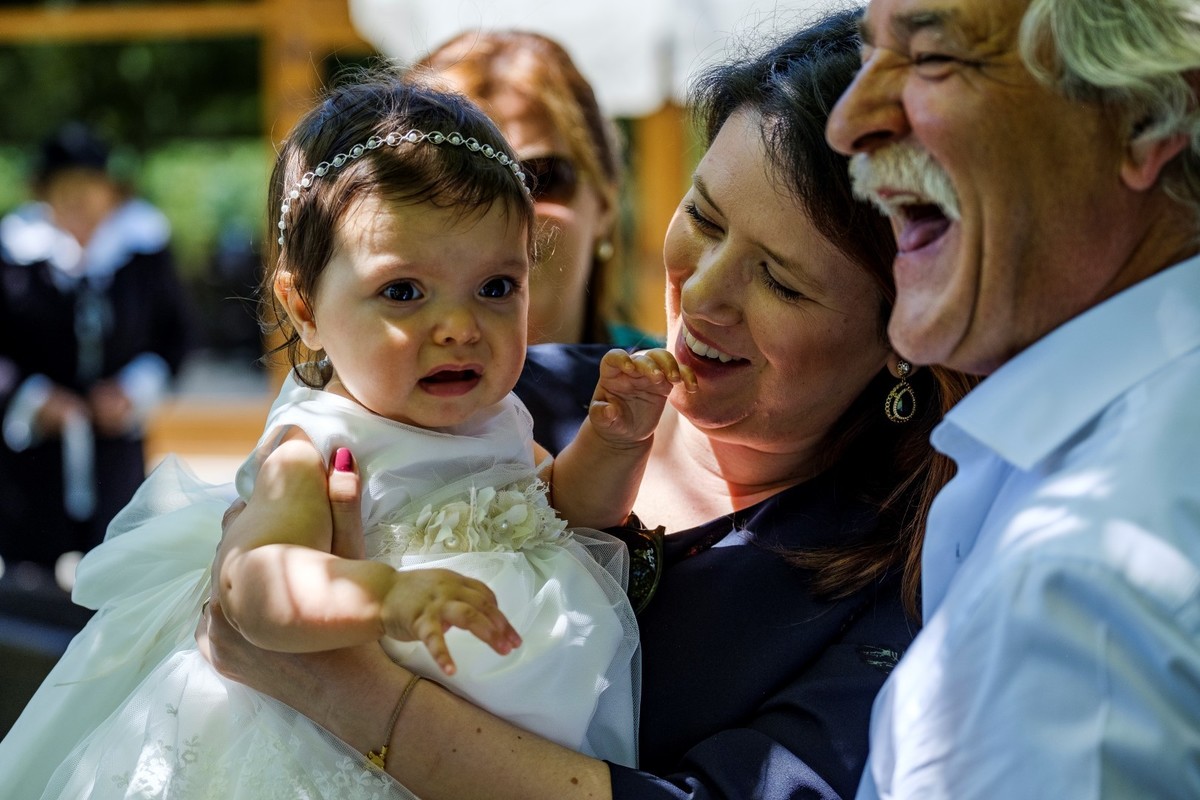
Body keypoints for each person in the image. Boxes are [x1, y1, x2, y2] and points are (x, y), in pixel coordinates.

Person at [200, 10, 976, 799]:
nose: (703, 295)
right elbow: (254, 582)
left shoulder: (907, 580)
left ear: (907, 323)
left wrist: (351, 695)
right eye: (704, 218)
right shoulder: (490, 396)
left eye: (781, 280)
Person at [0, 75, 698, 798]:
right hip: (321, 754)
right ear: (304, 307)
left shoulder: (496, 418)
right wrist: (382, 595)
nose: (459, 326)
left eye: (496, 287)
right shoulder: (316, 441)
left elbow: (567, 514)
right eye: (403, 291)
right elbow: (252, 583)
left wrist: (615, 441)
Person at [823, 0, 1200, 797]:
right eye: (869, 56)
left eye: (932, 58)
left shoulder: (1078, 595)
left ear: (1144, 117)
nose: (848, 121)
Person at [0, 122, 194, 581]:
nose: (80, 201)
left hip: (115, 444)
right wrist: (30, 396)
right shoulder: (14, 255)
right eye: (65, 188)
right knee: (31, 585)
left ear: (111, 191)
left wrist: (135, 389)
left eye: (90, 187)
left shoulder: (141, 251)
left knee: (117, 569)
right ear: (42, 194)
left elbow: (177, 333)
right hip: (32, 452)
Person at [412, 30, 650, 347]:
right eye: (452, 181)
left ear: (605, 204)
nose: (500, 212)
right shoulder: (343, 395)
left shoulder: (683, 388)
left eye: (540, 177)